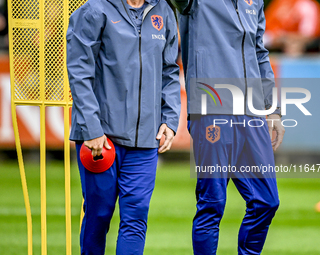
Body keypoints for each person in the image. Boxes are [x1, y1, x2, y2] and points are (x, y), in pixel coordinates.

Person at [66, 0, 181, 254]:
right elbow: (79, 71)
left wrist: (170, 120)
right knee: (99, 214)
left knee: (136, 218)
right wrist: (91, 128)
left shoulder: (164, 11)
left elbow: (170, 71)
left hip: (145, 142)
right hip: (101, 140)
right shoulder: (95, 9)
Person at [170, 0, 285, 254]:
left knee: (267, 201)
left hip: (252, 111)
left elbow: (259, 52)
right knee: (213, 203)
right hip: (211, 108)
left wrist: (273, 109)